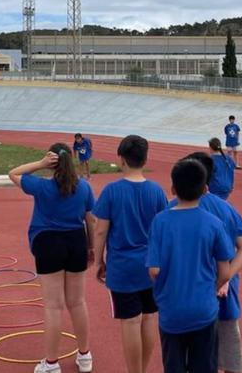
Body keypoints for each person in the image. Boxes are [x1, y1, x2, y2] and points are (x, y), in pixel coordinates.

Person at [9, 144, 96, 373]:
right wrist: (92, 248)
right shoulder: (85, 188)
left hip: (48, 243)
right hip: (76, 242)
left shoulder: (42, 186)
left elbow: (14, 173)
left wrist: (39, 163)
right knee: (77, 302)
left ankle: (51, 363)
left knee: (53, 306)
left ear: (52, 161)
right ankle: (85, 356)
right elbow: (91, 221)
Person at [147, 159, 234, 373]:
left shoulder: (160, 222)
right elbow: (225, 270)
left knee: (174, 366)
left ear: (173, 189)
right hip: (204, 309)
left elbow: (154, 270)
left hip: (171, 311)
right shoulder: (214, 223)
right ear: (205, 189)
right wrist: (211, 288)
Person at [92, 135, 168, 373]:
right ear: (145, 159)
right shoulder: (156, 191)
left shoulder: (112, 191)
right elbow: (163, 229)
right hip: (151, 265)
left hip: (123, 267)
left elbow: (100, 229)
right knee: (149, 318)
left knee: (131, 321)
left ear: (121, 160)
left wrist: (98, 261)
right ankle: (143, 370)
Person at [180, 152, 242, 373]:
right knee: (228, 348)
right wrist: (227, 275)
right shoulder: (226, 208)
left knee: (192, 350)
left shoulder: (175, 208)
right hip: (222, 290)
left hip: (189, 291)